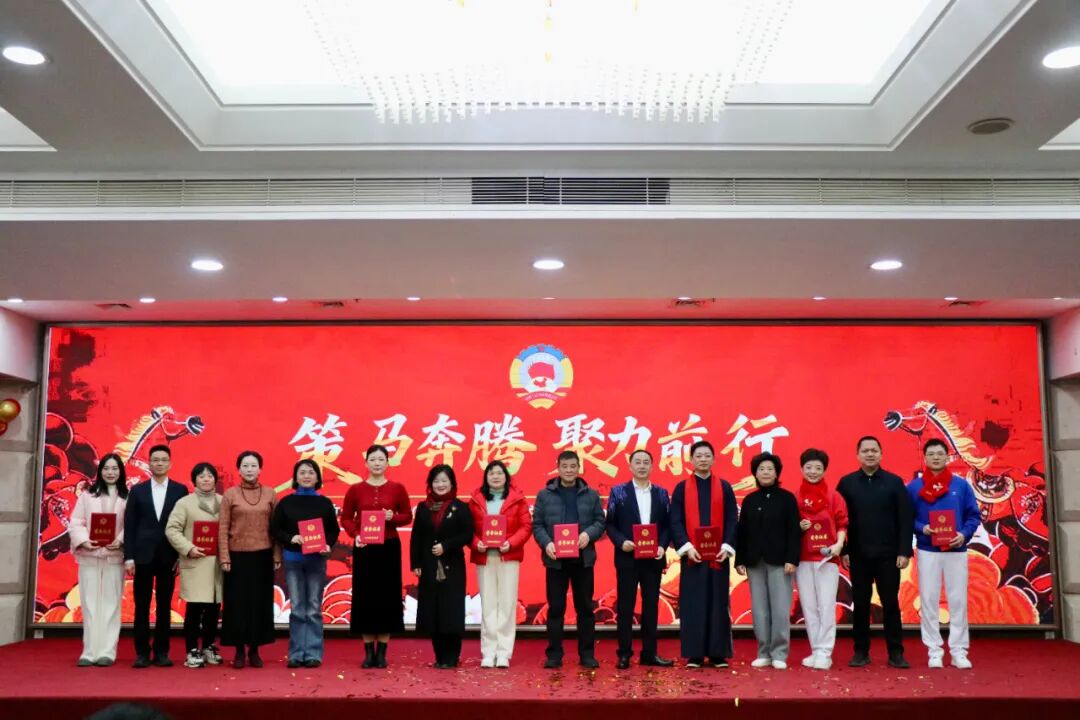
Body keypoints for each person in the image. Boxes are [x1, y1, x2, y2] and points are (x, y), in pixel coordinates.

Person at [838, 436, 914, 669]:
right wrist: (844, 550)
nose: (870, 454)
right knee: (860, 604)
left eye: (874, 450)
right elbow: (839, 520)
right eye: (865, 451)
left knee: (890, 603)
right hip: (858, 555)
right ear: (857, 455)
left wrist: (904, 551)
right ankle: (861, 652)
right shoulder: (847, 483)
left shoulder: (894, 482)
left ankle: (896, 652)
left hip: (888, 555)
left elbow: (905, 519)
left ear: (881, 454)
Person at [907, 438, 981, 670]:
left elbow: (973, 515)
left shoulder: (961, 485)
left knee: (958, 601)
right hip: (927, 549)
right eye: (931, 454)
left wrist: (964, 534)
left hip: (956, 549)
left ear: (947, 457)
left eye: (940, 453)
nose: (936, 457)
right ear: (925, 457)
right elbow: (906, 518)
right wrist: (922, 528)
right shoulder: (914, 487)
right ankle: (934, 651)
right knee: (928, 600)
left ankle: (959, 651)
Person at [532, 450, 606, 669]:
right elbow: (537, 525)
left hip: (583, 559)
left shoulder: (591, 495)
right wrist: (547, 543)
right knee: (556, 608)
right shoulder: (544, 495)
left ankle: (587, 654)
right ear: (558, 468)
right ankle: (554, 655)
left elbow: (600, 522)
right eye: (564, 466)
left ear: (579, 468)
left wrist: (588, 535)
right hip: (556, 560)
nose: (569, 470)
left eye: (573, 466)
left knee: (585, 609)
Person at [341, 444, 413, 669]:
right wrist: (355, 534)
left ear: (387, 463)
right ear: (366, 463)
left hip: (388, 547)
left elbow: (407, 516)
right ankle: (367, 652)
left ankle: (382, 651)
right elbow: (346, 518)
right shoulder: (355, 490)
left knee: (387, 597)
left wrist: (393, 517)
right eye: (372, 459)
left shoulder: (397, 488)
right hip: (365, 548)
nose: (377, 463)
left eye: (381, 459)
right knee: (365, 597)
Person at [669, 440, 738, 668]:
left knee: (718, 604)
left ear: (714, 459)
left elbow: (732, 519)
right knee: (694, 604)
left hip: (718, 557)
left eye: (707, 455)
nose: (703, 459)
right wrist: (686, 547)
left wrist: (726, 547)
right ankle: (695, 654)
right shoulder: (681, 488)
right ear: (691, 460)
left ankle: (718, 654)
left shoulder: (725, 487)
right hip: (693, 558)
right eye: (698, 456)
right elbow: (675, 521)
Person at [604, 449, 673, 669]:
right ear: (630, 466)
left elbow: (668, 525)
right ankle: (624, 654)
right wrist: (621, 541)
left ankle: (649, 653)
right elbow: (610, 524)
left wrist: (662, 545)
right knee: (625, 606)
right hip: (627, 557)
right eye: (638, 462)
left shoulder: (661, 494)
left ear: (652, 467)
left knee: (651, 607)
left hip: (653, 558)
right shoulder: (618, 492)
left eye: (646, 462)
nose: (642, 466)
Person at [734, 452, 801, 670]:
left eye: (770, 469)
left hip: (780, 562)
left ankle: (779, 652)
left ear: (776, 473)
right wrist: (740, 559)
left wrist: (792, 558)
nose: (765, 472)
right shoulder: (750, 500)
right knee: (759, 609)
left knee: (780, 609)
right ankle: (763, 652)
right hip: (755, 562)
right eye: (761, 469)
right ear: (755, 473)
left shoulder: (787, 498)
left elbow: (793, 531)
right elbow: (742, 532)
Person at [271, 459, 340, 668]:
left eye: (311, 472)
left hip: (316, 561)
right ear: (295, 477)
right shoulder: (286, 502)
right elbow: (275, 529)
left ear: (317, 477)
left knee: (313, 608)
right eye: (302, 472)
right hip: (293, 560)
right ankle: (296, 654)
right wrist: (291, 538)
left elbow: (333, 530)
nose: (306, 476)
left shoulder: (324, 503)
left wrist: (327, 544)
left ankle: (313, 654)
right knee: (298, 608)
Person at [123, 444, 188, 668]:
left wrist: (181, 555)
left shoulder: (180, 490)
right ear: (149, 463)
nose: (159, 463)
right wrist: (129, 557)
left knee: (163, 606)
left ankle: (162, 652)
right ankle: (142, 653)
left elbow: (185, 526)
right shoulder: (137, 490)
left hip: (169, 556)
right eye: (155, 460)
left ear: (170, 463)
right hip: (142, 557)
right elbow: (130, 525)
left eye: (163, 460)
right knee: (141, 606)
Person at [219, 450, 281, 669]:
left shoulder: (270, 494)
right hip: (236, 557)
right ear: (239, 469)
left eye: (253, 465)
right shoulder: (230, 495)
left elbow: (275, 528)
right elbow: (223, 528)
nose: (249, 469)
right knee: (237, 604)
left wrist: (276, 554)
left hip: (263, 556)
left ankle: (254, 650)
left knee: (259, 604)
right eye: (245, 466)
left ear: (260, 469)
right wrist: (224, 556)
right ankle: (238, 651)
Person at [468, 459, 531, 668]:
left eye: (499, 473)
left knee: (507, 603)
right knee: (488, 604)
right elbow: (468, 528)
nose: (495, 476)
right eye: (491, 473)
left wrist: (510, 543)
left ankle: (504, 652)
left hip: (508, 556)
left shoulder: (517, 499)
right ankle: (488, 652)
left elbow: (526, 527)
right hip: (485, 557)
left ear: (506, 476)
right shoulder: (476, 499)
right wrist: (476, 544)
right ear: (486, 477)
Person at [411, 464, 475, 668]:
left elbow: (467, 534)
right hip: (429, 566)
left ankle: (452, 656)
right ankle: (439, 657)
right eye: (436, 481)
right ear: (430, 484)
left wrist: (446, 546)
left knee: (451, 611)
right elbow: (416, 537)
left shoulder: (460, 507)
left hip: (452, 566)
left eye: (444, 481)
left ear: (452, 483)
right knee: (433, 611)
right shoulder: (423, 508)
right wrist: (416, 563)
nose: (440, 485)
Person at [69, 453, 128, 666]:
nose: (110, 473)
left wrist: (120, 540)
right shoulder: (87, 496)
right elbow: (76, 522)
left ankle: (107, 652)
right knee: (89, 604)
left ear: (121, 472)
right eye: (106, 468)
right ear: (100, 471)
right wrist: (84, 541)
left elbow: (132, 525)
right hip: (89, 557)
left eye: (115, 468)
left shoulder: (128, 497)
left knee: (111, 604)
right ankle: (89, 651)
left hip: (114, 557)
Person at [165, 462, 224, 669]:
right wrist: (188, 548)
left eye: (210, 476)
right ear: (194, 480)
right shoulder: (184, 503)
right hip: (195, 561)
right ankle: (191, 649)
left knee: (214, 609)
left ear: (215, 479)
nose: (206, 479)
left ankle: (208, 646)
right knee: (195, 608)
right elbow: (172, 529)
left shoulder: (223, 502)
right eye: (201, 476)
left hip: (217, 565)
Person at [794, 448, 848, 670]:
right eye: (809, 467)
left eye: (818, 468)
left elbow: (842, 523)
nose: (813, 471)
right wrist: (798, 526)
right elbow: (788, 527)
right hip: (803, 559)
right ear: (801, 469)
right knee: (809, 607)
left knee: (826, 606)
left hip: (828, 560)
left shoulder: (834, 497)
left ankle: (825, 652)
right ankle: (815, 649)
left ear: (824, 470)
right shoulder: (795, 497)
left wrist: (839, 544)